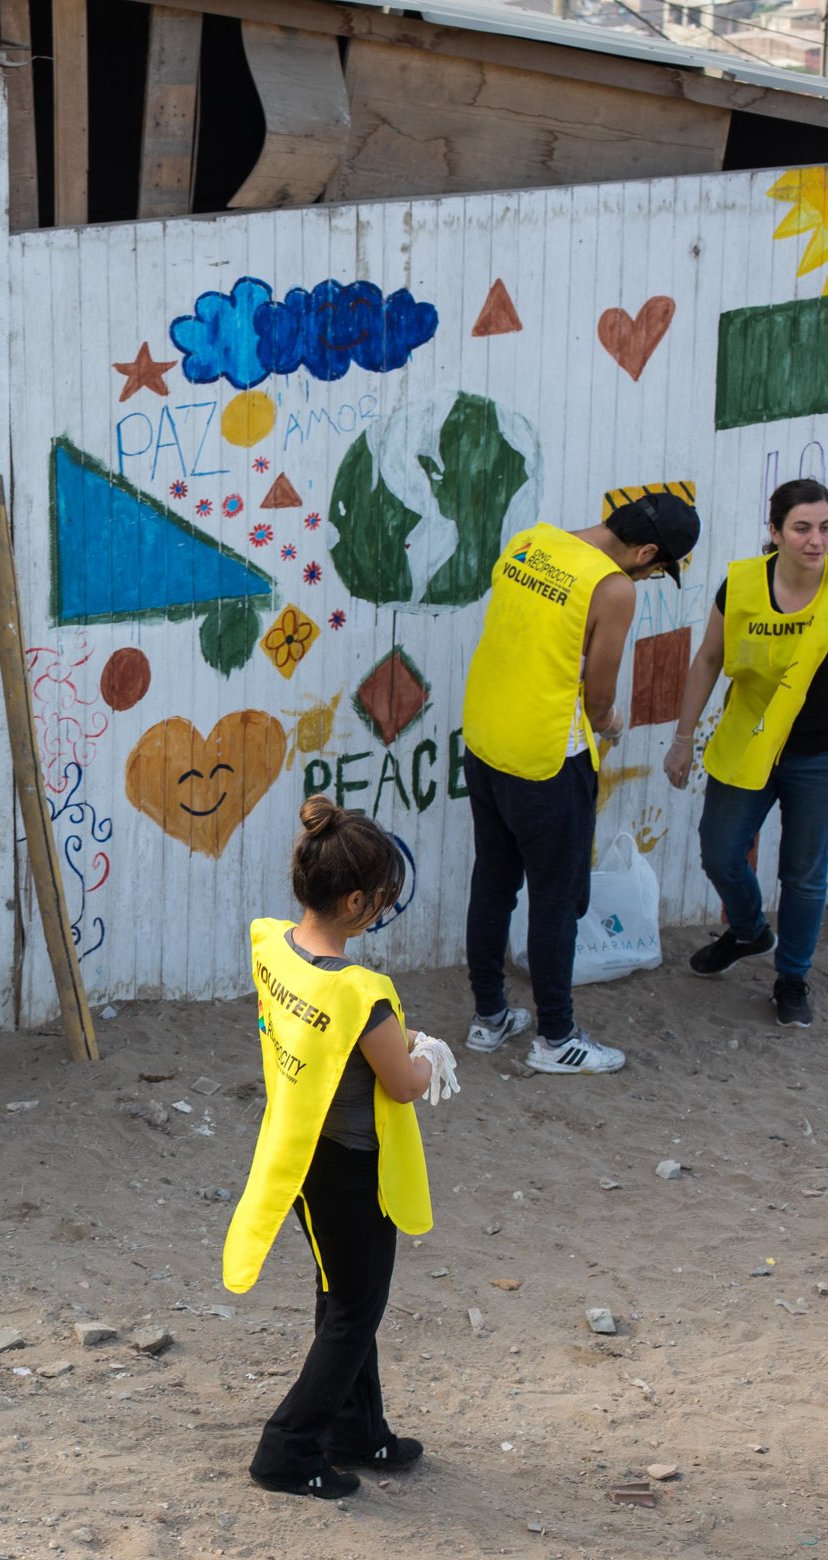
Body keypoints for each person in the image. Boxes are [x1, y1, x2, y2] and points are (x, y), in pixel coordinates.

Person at [227, 798, 458, 1501]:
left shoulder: (272, 946)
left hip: (301, 1157)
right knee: (356, 1306)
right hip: (355, 1167)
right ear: (357, 900)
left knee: (341, 1292)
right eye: (383, 899)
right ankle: (288, 1448)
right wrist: (431, 1054)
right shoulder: (365, 995)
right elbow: (403, 1081)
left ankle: (359, 1429)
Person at [662, 479, 828, 1028]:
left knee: (804, 874)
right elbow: (709, 659)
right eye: (802, 528)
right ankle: (751, 930)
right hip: (751, 739)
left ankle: (792, 976)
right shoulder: (742, 585)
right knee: (720, 851)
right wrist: (683, 738)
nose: (816, 540)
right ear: (775, 531)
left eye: (825, 527)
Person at [460, 492, 700, 1075]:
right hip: (548, 759)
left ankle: (489, 1018)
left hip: (487, 741)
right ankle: (556, 1038)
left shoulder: (532, 541)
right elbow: (598, 695)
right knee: (556, 898)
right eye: (658, 567)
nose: (649, 574)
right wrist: (609, 723)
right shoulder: (614, 587)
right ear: (646, 552)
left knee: (493, 882)